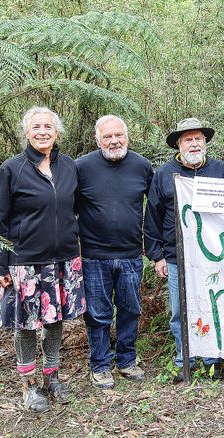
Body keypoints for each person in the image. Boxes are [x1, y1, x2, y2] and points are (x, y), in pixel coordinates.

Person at [0, 107, 84, 412]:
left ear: (57, 132)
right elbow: (0, 221)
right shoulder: (12, 169)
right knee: (27, 324)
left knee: (56, 321)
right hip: (26, 262)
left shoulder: (69, 166)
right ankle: (29, 385)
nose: (43, 132)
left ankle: (52, 377)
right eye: (36, 127)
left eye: (48, 126)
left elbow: (77, 209)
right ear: (27, 132)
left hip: (64, 259)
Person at [144, 118, 224, 382]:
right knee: (181, 310)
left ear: (205, 142)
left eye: (198, 138)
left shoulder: (219, 170)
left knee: (213, 306)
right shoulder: (164, 174)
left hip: (212, 256)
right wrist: (156, 255)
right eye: (188, 139)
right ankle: (185, 360)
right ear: (179, 144)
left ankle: (212, 359)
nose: (194, 143)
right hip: (175, 255)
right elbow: (152, 217)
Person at [76, 115, 153, 389]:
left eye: (118, 135)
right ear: (98, 140)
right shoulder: (81, 167)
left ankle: (126, 361)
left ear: (127, 137)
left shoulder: (142, 166)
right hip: (94, 256)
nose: (114, 141)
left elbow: (154, 209)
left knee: (130, 309)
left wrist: (152, 246)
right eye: (107, 136)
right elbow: (65, 208)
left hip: (132, 255)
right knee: (97, 314)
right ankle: (99, 365)